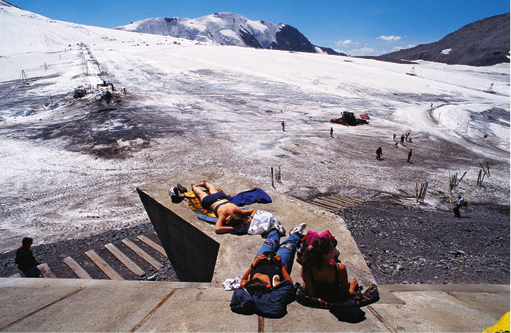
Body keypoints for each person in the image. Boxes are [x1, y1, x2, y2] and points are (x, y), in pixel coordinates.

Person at [240, 223, 306, 295]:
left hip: (261, 260)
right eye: (268, 287)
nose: (269, 285)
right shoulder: (273, 283)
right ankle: (296, 234)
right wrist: (281, 267)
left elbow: (243, 281)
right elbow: (289, 285)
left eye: (265, 283)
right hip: (277, 264)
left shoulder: (249, 284)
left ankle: (275, 230)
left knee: (269, 243)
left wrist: (253, 265)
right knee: (287, 246)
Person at [301, 237, 359, 304]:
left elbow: (312, 296)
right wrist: (352, 289)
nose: (334, 249)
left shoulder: (307, 270)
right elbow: (346, 294)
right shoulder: (340, 269)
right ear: (325, 255)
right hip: (335, 299)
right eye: (332, 250)